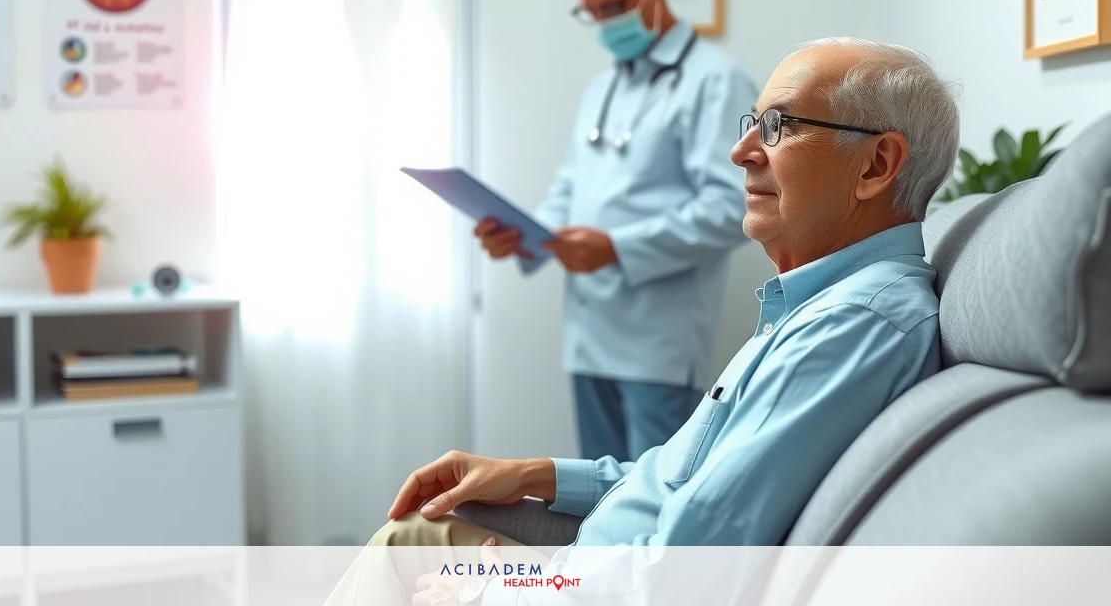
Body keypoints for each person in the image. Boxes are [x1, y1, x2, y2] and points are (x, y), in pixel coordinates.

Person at [324, 37, 961, 605]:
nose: (741, 152)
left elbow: (691, 566)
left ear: (876, 165)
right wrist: (540, 474)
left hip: (602, 577)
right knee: (415, 533)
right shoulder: (816, 305)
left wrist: (505, 589)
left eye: (778, 126)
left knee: (408, 545)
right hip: (599, 549)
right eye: (752, 125)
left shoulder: (855, 323)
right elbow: (688, 477)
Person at [476, 0, 759, 464]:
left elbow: (731, 207)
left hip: (658, 344)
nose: (606, 23)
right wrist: (526, 237)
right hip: (588, 333)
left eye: (613, 5)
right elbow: (570, 188)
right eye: (593, 12)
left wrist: (616, 248)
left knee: (648, 504)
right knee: (596, 500)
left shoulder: (716, 80)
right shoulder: (602, 88)